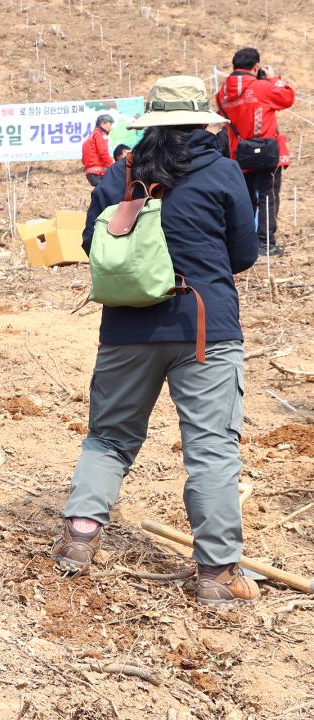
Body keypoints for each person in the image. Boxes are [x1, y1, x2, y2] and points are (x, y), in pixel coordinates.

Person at [53, 76, 260, 607]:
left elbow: (90, 245)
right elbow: (243, 253)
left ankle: (79, 538)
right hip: (204, 328)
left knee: (108, 438)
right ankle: (216, 574)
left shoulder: (119, 175)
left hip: (127, 330)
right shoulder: (223, 172)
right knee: (212, 451)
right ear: (200, 123)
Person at [215, 47, 295, 257]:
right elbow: (287, 97)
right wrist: (273, 78)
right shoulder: (261, 87)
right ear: (256, 66)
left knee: (245, 198)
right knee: (267, 196)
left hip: (239, 153)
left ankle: (243, 242)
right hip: (266, 152)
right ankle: (265, 242)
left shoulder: (222, 92)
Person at [81, 114, 114, 186]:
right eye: (110, 124)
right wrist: (113, 166)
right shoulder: (100, 135)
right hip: (99, 172)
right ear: (103, 123)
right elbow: (103, 153)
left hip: (91, 172)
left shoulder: (91, 136)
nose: (111, 128)